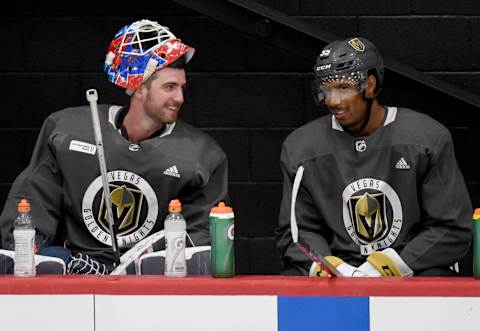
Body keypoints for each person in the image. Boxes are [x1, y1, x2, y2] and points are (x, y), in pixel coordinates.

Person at [0, 19, 228, 272]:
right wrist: (28, 248)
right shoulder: (66, 130)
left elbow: (200, 239)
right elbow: (33, 199)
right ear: (139, 88)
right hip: (76, 275)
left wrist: (148, 268)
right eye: (170, 87)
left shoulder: (202, 155)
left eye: (182, 87)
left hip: (152, 282)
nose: (180, 98)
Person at [276, 37, 472, 277]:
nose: (333, 100)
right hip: (339, 270)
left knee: (439, 280)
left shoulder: (427, 138)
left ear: (369, 85)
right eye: (327, 89)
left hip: (411, 268)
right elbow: (296, 232)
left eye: (343, 88)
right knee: (292, 279)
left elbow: (452, 228)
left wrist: (391, 265)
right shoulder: (301, 148)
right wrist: (329, 266)